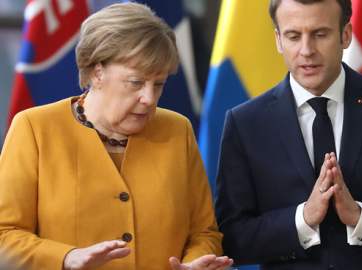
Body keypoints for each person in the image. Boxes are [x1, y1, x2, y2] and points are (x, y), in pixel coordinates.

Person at [214, 0, 362, 269]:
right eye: (294, 36)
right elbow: (231, 237)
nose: (307, 50)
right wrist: (302, 220)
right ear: (278, 40)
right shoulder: (245, 123)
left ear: (346, 35)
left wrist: (360, 217)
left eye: (320, 34)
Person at [0, 3, 233, 270]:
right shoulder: (34, 128)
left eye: (158, 84)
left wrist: (192, 265)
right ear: (98, 73)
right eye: (136, 82)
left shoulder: (178, 130)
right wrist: (66, 258)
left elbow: (204, 233)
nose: (149, 98)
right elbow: (5, 235)